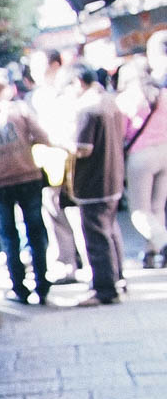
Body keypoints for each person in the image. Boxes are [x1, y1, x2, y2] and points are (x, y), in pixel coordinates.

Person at [0, 76, 52, 302]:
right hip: (28, 176)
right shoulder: (19, 110)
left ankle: (19, 287)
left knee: (9, 236)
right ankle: (42, 284)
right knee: (36, 231)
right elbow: (42, 136)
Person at [66, 61, 127, 305]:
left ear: (78, 82)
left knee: (97, 237)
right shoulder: (110, 101)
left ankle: (104, 289)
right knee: (110, 232)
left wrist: (62, 143)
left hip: (94, 182)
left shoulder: (88, 108)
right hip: (112, 178)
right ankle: (116, 279)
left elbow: (83, 149)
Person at [26, 48, 83, 284]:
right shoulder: (39, 96)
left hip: (71, 162)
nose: (34, 72)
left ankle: (78, 263)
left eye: (38, 66)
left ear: (55, 65)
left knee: (74, 214)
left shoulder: (67, 93)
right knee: (55, 212)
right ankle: (66, 262)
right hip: (51, 164)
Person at [118, 56, 167, 268]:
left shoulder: (127, 99)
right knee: (157, 207)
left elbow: (120, 133)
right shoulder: (163, 95)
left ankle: (163, 243)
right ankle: (152, 252)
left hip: (141, 156)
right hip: (165, 151)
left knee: (139, 211)